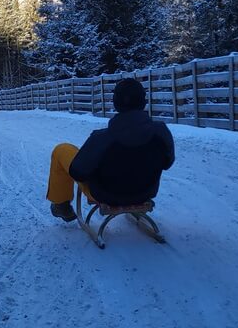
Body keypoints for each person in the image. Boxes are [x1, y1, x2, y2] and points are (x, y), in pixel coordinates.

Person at [47, 77, 175, 222]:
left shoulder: (102, 138)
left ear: (115, 104)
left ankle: (61, 205)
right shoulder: (161, 132)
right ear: (143, 102)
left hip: (105, 195)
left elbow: (78, 172)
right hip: (145, 193)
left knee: (61, 149)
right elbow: (167, 163)